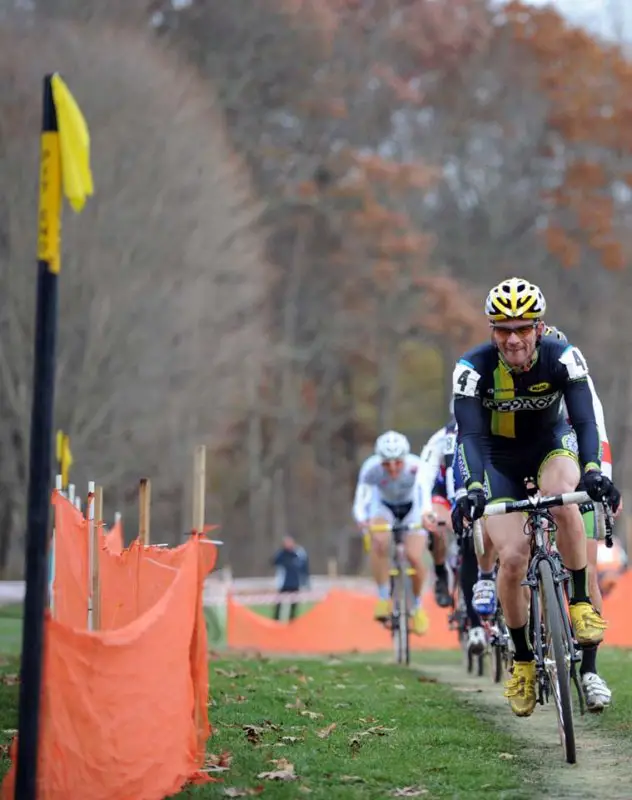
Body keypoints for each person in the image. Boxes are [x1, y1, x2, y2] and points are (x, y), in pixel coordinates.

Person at [451, 277, 621, 718]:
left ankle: (580, 602)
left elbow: (585, 421)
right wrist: (470, 491)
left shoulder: (563, 357)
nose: (512, 338)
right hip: (497, 460)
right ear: (492, 331)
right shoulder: (472, 368)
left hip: (550, 446)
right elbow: (467, 435)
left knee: (565, 497)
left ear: (539, 328)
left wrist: (593, 473)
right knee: (511, 558)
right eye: (503, 329)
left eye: (522, 328)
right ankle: (524, 660)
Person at [353, 430, 433, 635]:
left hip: (412, 508)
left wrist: (426, 514)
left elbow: (425, 495)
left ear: (404, 459)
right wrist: (362, 519)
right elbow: (362, 498)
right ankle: (382, 598)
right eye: (386, 463)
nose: (392, 468)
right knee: (378, 542)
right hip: (384, 507)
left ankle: (417, 606)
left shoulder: (416, 467)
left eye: (397, 462)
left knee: (414, 557)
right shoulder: (371, 469)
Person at [417, 405, 458, 609]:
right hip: (444, 495)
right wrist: (426, 509)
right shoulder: (441, 439)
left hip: (475, 492)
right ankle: (440, 571)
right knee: (437, 526)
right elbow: (424, 476)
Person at [271, 536, 310, 622]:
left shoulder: (298, 553)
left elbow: (304, 567)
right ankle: (275, 622)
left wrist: (306, 581)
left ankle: (292, 622)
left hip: (295, 583)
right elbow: (274, 562)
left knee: (294, 606)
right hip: (283, 584)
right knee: (279, 604)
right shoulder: (281, 554)